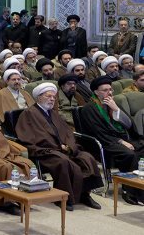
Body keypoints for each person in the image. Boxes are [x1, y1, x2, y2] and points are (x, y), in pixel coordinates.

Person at [15, 83, 104, 211]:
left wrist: (69, 146)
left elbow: (68, 132)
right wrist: (57, 146)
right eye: (48, 96)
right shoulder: (28, 113)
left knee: (87, 158)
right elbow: (28, 137)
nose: (52, 99)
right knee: (64, 162)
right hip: (45, 152)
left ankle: (85, 194)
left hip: (63, 149)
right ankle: (64, 197)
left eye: (54, 97)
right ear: (39, 97)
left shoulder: (53, 113)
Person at [77, 77, 144, 204]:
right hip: (103, 142)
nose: (110, 92)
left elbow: (129, 125)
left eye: (110, 89)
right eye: (105, 90)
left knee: (141, 147)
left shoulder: (113, 103)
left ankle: (139, 186)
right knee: (129, 154)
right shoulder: (89, 109)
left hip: (119, 139)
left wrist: (116, 110)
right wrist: (121, 141)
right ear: (96, 92)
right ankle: (128, 190)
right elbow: (98, 132)